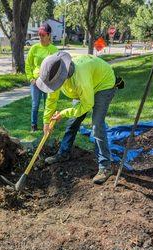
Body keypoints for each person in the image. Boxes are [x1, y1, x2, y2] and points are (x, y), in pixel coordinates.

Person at [36, 51, 117, 184]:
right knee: (72, 122)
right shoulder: (56, 74)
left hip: (103, 84)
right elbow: (51, 99)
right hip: (85, 87)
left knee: (97, 125)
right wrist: (46, 121)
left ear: (63, 77)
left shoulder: (80, 79)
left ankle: (105, 167)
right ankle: (64, 153)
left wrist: (63, 113)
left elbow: (86, 105)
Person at [25, 23, 58, 132]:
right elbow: (28, 64)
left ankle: (48, 125)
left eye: (43, 35)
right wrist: (31, 78)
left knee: (48, 104)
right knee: (35, 105)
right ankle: (33, 125)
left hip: (48, 83)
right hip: (36, 82)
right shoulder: (34, 48)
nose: (40, 37)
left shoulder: (54, 49)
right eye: (39, 35)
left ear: (49, 35)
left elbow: (57, 66)